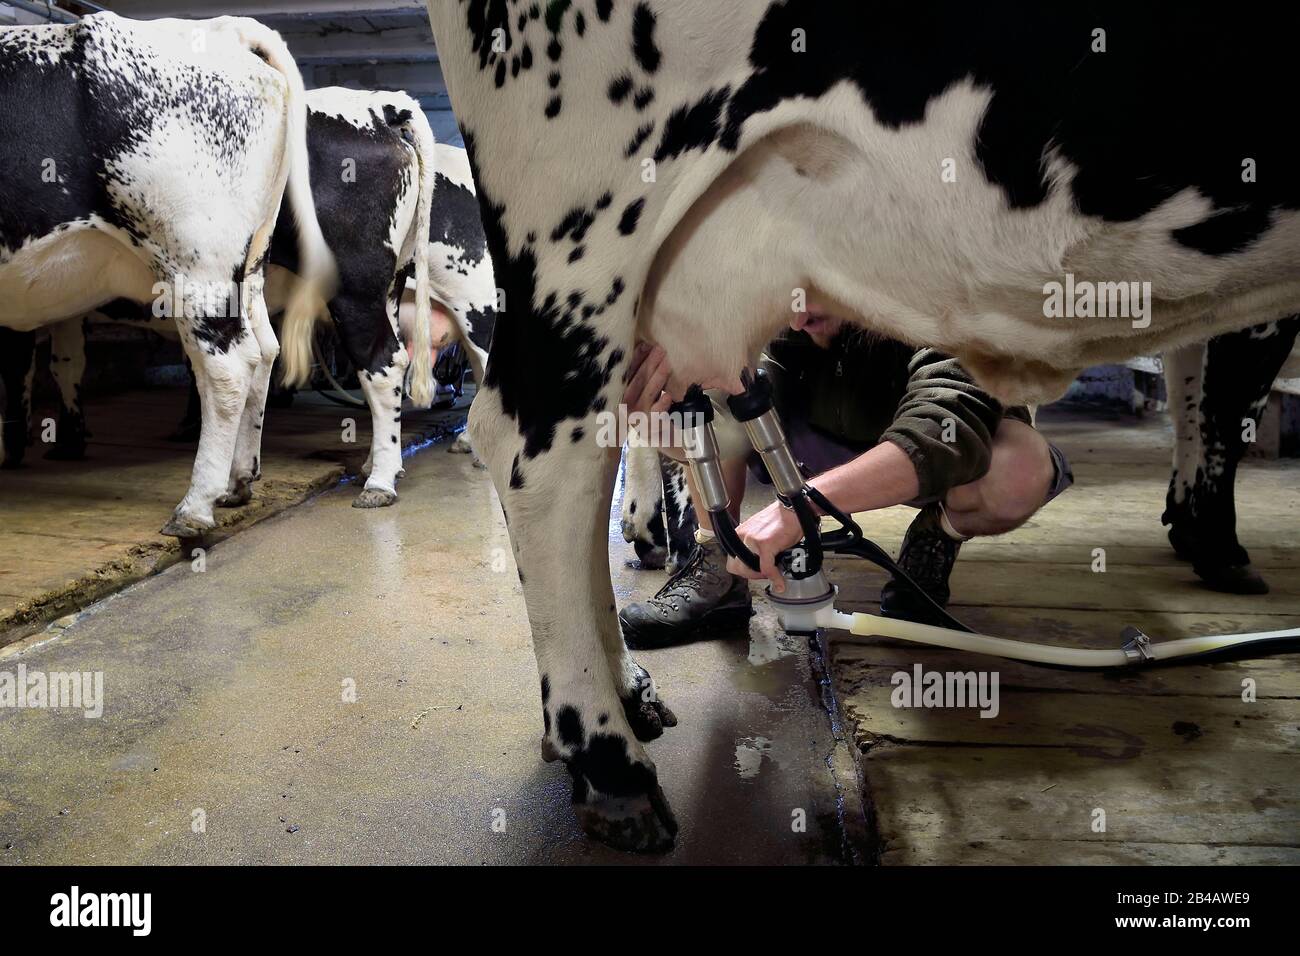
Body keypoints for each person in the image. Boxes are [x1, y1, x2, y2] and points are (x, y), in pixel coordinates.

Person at [617, 304, 1074, 649]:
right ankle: (720, 563)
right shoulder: (782, 291)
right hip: (809, 438)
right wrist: (661, 421)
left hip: (928, 447)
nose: (796, 317)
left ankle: (939, 533)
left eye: (814, 291)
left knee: (1018, 469)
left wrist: (802, 507)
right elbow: (723, 415)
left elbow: (948, 418)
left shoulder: (938, 284)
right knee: (712, 384)